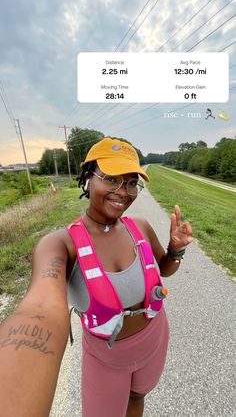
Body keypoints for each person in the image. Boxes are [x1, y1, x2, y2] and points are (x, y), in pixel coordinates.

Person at [0, 137, 193, 417]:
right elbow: (38, 308)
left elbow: (164, 269)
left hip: (154, 339)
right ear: (88, 178)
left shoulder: (140, 227)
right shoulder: (60, 244)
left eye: (130, 182)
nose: (123, 191)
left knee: (138, 397)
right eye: (112, 178)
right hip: (106, 358)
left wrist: (175, 250)